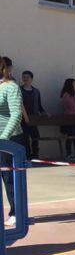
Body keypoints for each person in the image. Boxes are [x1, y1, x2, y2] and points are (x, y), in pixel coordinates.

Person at [1, 55, 25, 225]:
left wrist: (4, 138)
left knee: (10, 178)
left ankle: (16, 212)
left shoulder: (11, 87)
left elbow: (16, 114)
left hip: (10, 140)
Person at [19, 70, 44, 160]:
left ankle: (35, 155)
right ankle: (28, 156)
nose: (25, 79)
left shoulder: (36, 91)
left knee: (35, 137)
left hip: (33, 118)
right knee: (25, 138)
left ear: (31, 79)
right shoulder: (19, 90)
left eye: (27, 77)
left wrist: (44, 113)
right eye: (23, 77)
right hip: (22, 119)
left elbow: (39, 106)